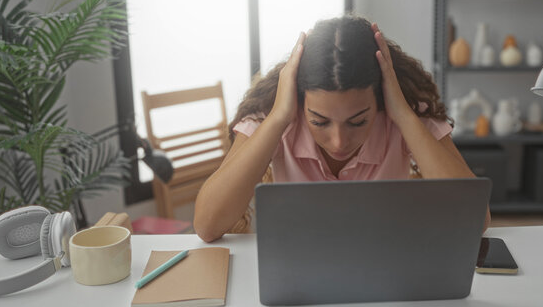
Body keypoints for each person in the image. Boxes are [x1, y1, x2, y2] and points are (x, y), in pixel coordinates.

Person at [194, 15, 490, 242]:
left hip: (384, 272)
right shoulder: (271, 117)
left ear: (381, 101)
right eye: (320, 121)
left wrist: (404, 115)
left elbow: (475, 220)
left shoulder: (404, 114)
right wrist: (279, 118)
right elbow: (207, 226)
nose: (338, 142)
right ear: (298, 100)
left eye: (358, 121)